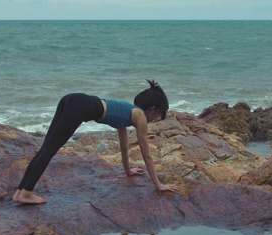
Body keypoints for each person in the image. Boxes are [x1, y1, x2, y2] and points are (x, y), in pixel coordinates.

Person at [13, 80, 180, 205]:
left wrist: (128, 170)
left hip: (72, 99)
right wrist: (159, 185)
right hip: (81, 105)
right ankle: (27, 193)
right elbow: (147, 155)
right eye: (158, 115)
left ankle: (21, 192)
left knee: (46, 148)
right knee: (49, 150)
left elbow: (124, 146)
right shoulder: (140, 117)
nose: (155, 119)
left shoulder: (129, 113)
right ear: (153, 109)